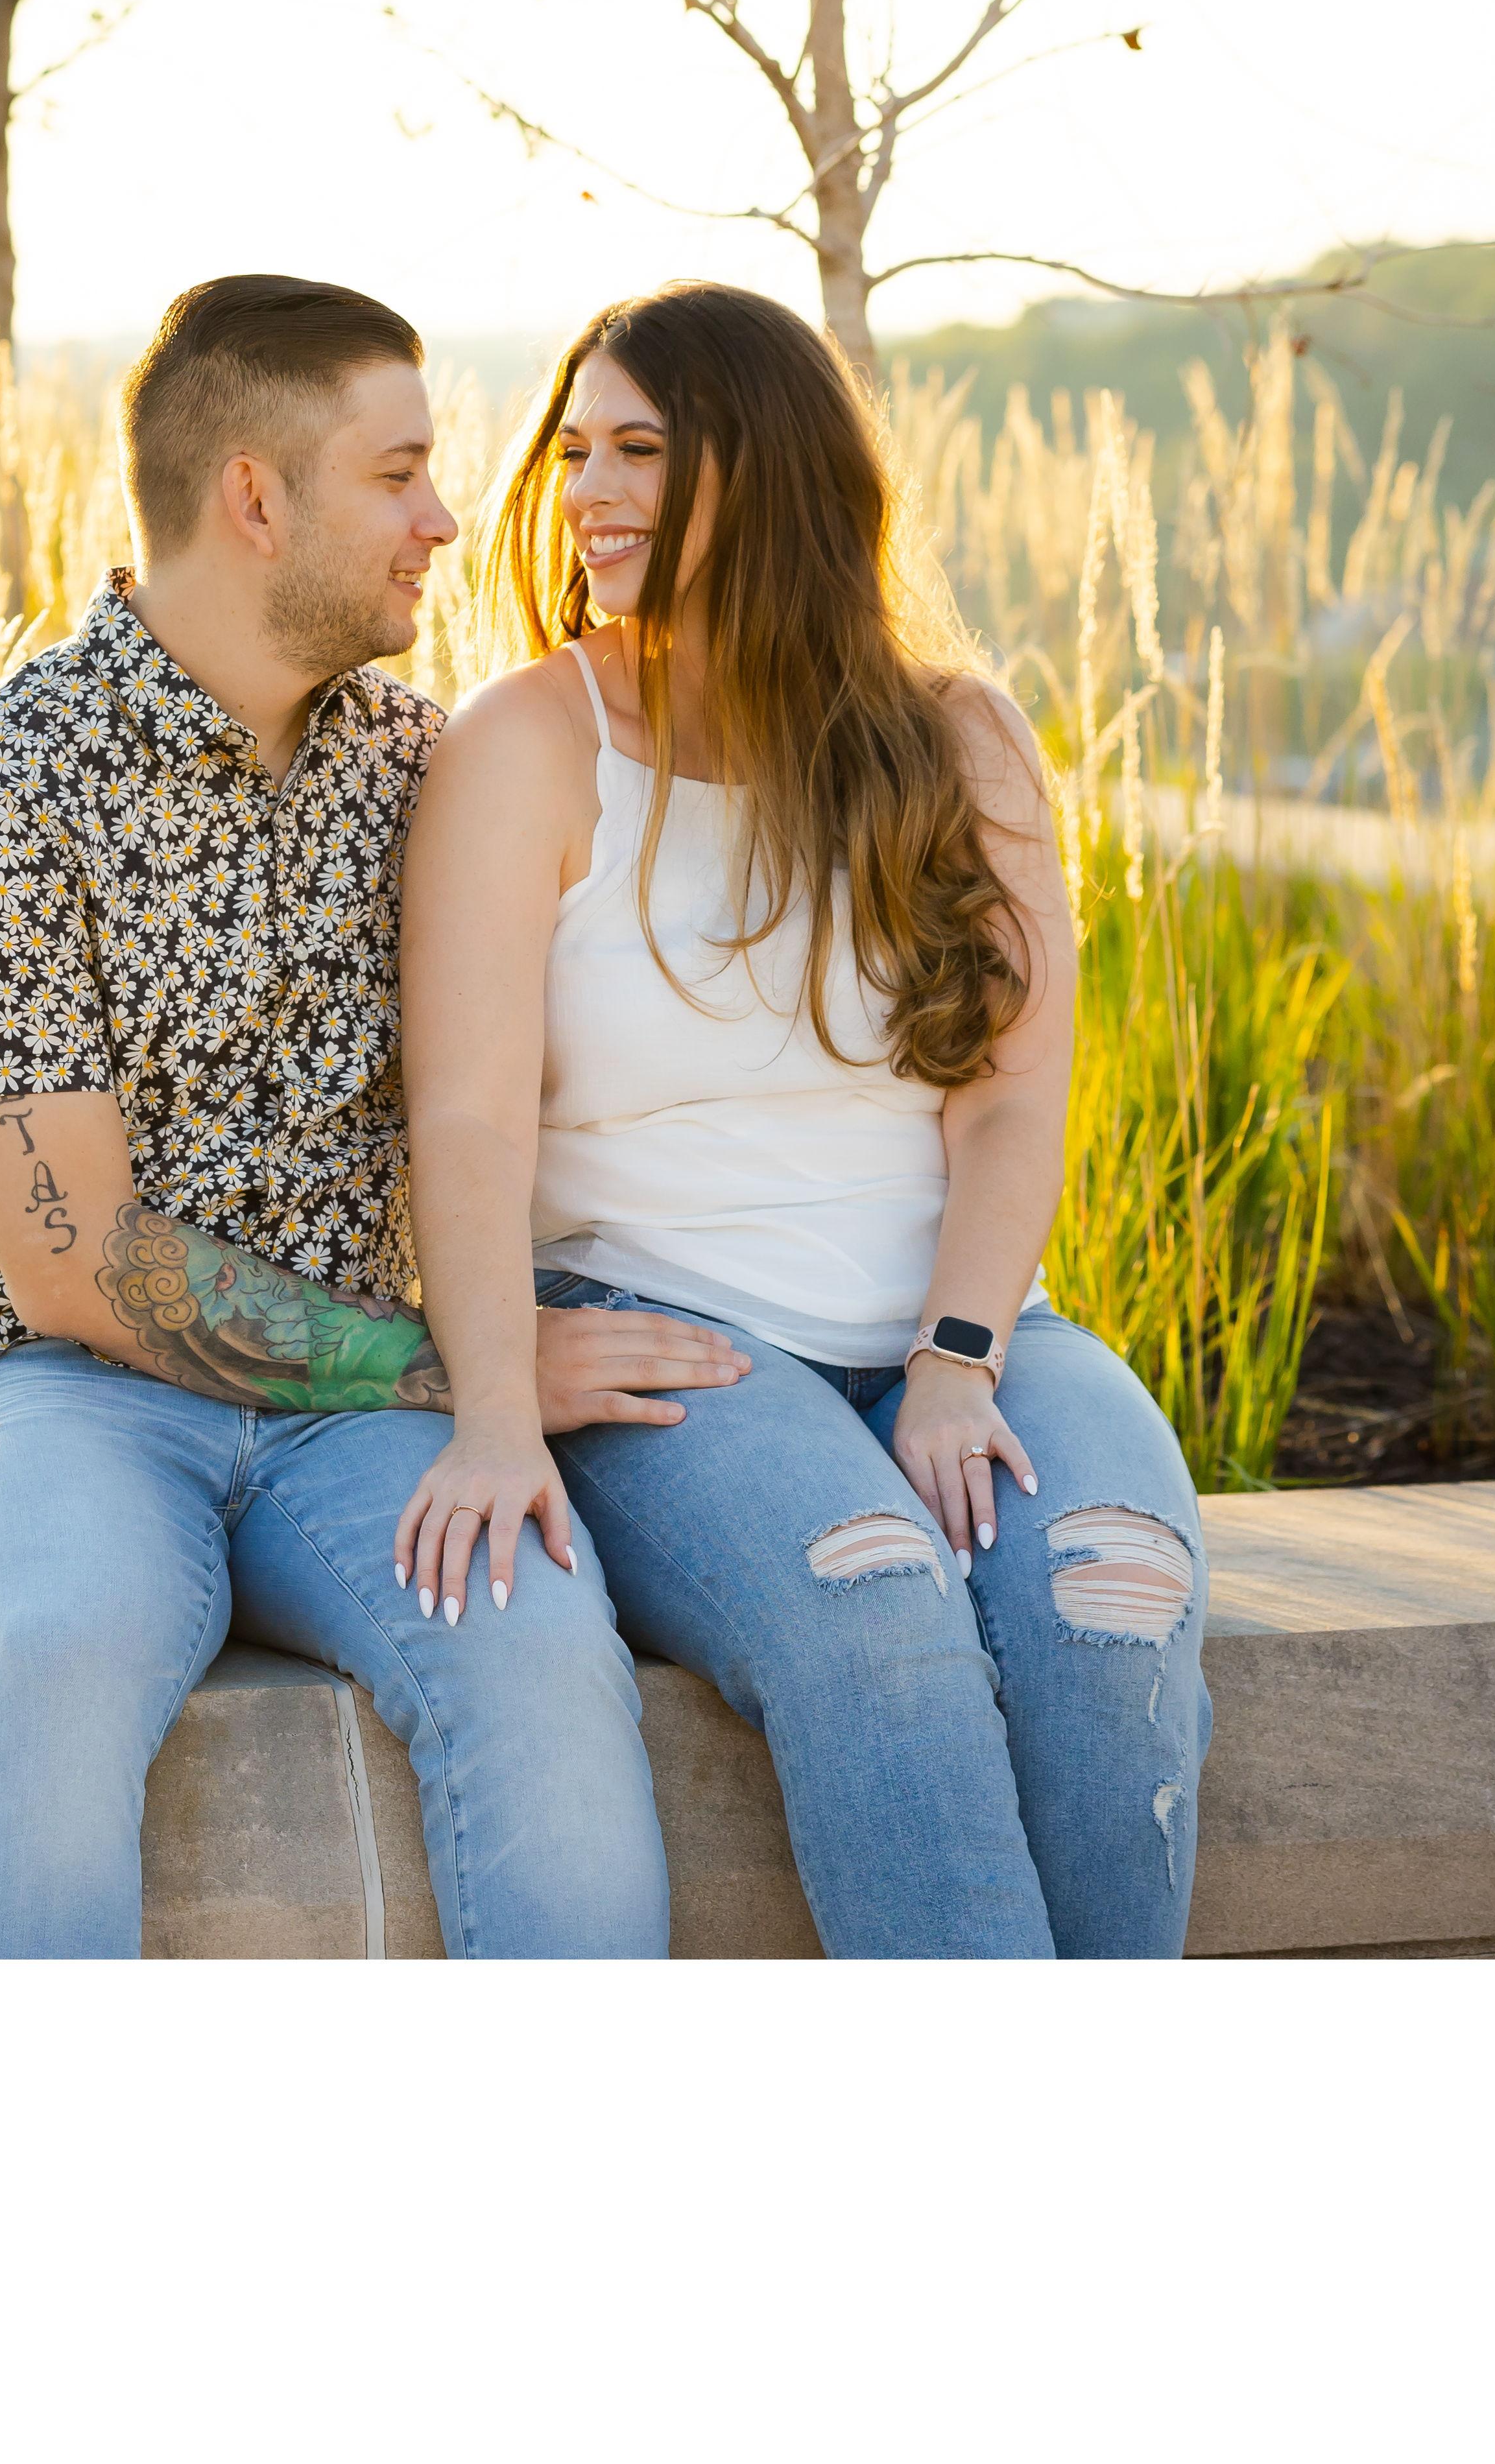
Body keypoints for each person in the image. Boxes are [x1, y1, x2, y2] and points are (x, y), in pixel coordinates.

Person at [0, 275, 745, 1958]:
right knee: (49, 1652)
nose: (447, 518)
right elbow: (85, 1272)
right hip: (50, 1398)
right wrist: (468, 1369)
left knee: (546, 1648)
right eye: (397, 473)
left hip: (353, 1438)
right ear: (254, 498)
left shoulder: (424, 767)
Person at [398, 281, 1210, 1958]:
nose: (587, 492)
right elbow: (465, 1120)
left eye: (639, 449)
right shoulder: (527, 741)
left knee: (1110, 1602)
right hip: (665, 1332)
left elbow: (1004, 1101)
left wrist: (953, 1358)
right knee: (874, 1611)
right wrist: (490, 1403)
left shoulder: (956, 738)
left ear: (766, 476)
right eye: (574, 450)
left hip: (963, 1324)